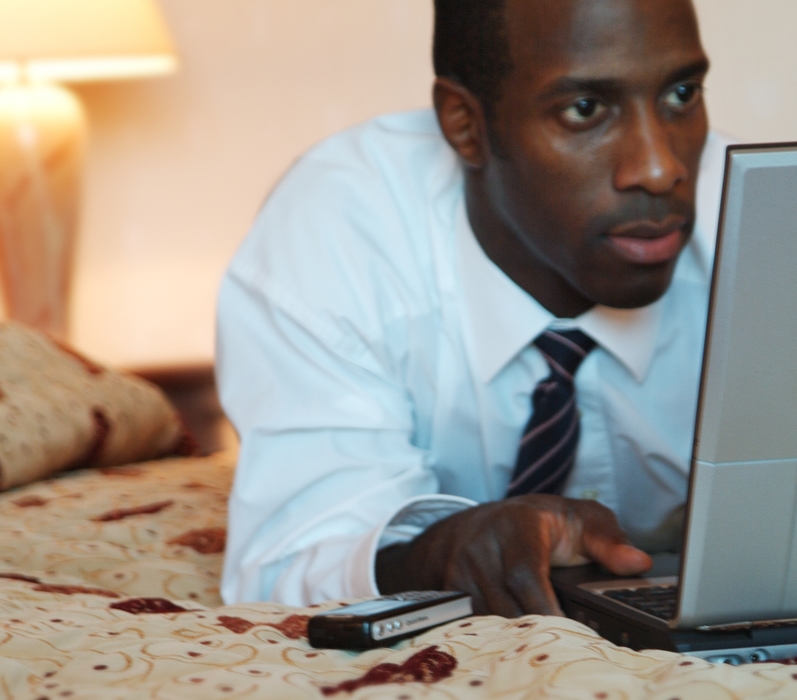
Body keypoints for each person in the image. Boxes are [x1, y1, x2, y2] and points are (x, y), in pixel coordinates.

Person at [216, 0, 729, 617]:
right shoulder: (337, 230)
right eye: (585, 110)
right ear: (465, 125)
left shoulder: (764, 230)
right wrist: (442, 553)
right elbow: (291, 560)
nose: (660, 167)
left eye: (681, 94)